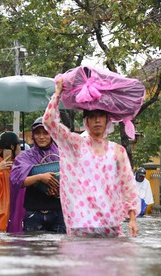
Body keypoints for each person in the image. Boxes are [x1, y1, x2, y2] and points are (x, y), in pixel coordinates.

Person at [42, 77, 140, 237]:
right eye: (92, 116)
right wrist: (57, 93)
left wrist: (132, 218)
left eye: (100, 115)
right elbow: (49, 122)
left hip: (110, 223)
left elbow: (128, 184)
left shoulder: (117, 151)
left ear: (107, 119)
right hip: (81, 223)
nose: (97, 120)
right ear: (86, 120)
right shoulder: (76, 144)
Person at [9, 118, 65, 233]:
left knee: (58, 250)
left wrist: (58, 192)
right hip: (33, 213)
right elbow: (16, 181)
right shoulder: (25, 156)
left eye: (45, 133)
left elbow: (73, 182)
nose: (41, 137)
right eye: (38, 133)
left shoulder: (62, 155)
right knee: (33, 249)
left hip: (58, 213)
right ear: (33, 135)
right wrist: (40, 177)